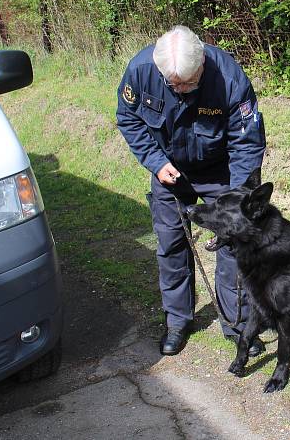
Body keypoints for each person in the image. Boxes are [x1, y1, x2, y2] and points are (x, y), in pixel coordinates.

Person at [116, 25, 266, 356]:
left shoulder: (228, 77)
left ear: (201, 65)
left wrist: (239, 197)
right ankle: (177, 322)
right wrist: (155, 162)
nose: (181, 89)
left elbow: (246, 140)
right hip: (169, 170)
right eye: (174, 84)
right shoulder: (141, 72)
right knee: (171, 246)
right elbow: (128, 120)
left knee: (232, 244)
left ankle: (237, 323)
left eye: (188, 82)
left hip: (221, 171)